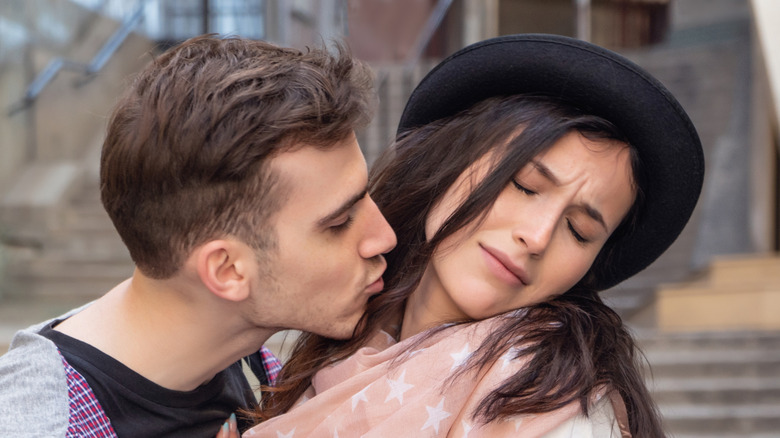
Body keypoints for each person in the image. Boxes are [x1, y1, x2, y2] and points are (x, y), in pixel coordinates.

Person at [236, 34, 704, 437]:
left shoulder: (552, 406)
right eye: (524, 186)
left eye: (579, 232)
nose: (537, 237)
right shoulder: (335, 346)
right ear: (451, 160)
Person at [0, 34, 396, 437]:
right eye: (339, 222)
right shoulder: (45, 425)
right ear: (227, 270)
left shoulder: (249, 361)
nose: (384, 237)